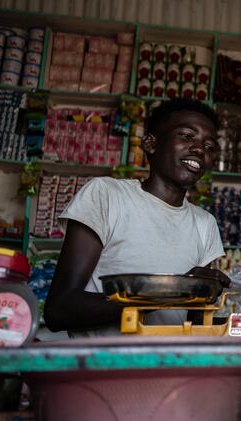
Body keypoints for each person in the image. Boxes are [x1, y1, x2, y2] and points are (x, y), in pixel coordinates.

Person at [44, 98, 229, 337]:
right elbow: (60, 310)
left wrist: (230, 305)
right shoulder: (107, 195)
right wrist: (171, 292)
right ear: (151, 144)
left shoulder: (205, 224)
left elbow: (192, 323)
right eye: (186, 136)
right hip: (104, 368)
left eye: (210, 147)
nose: (199, 149)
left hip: (170, 369)